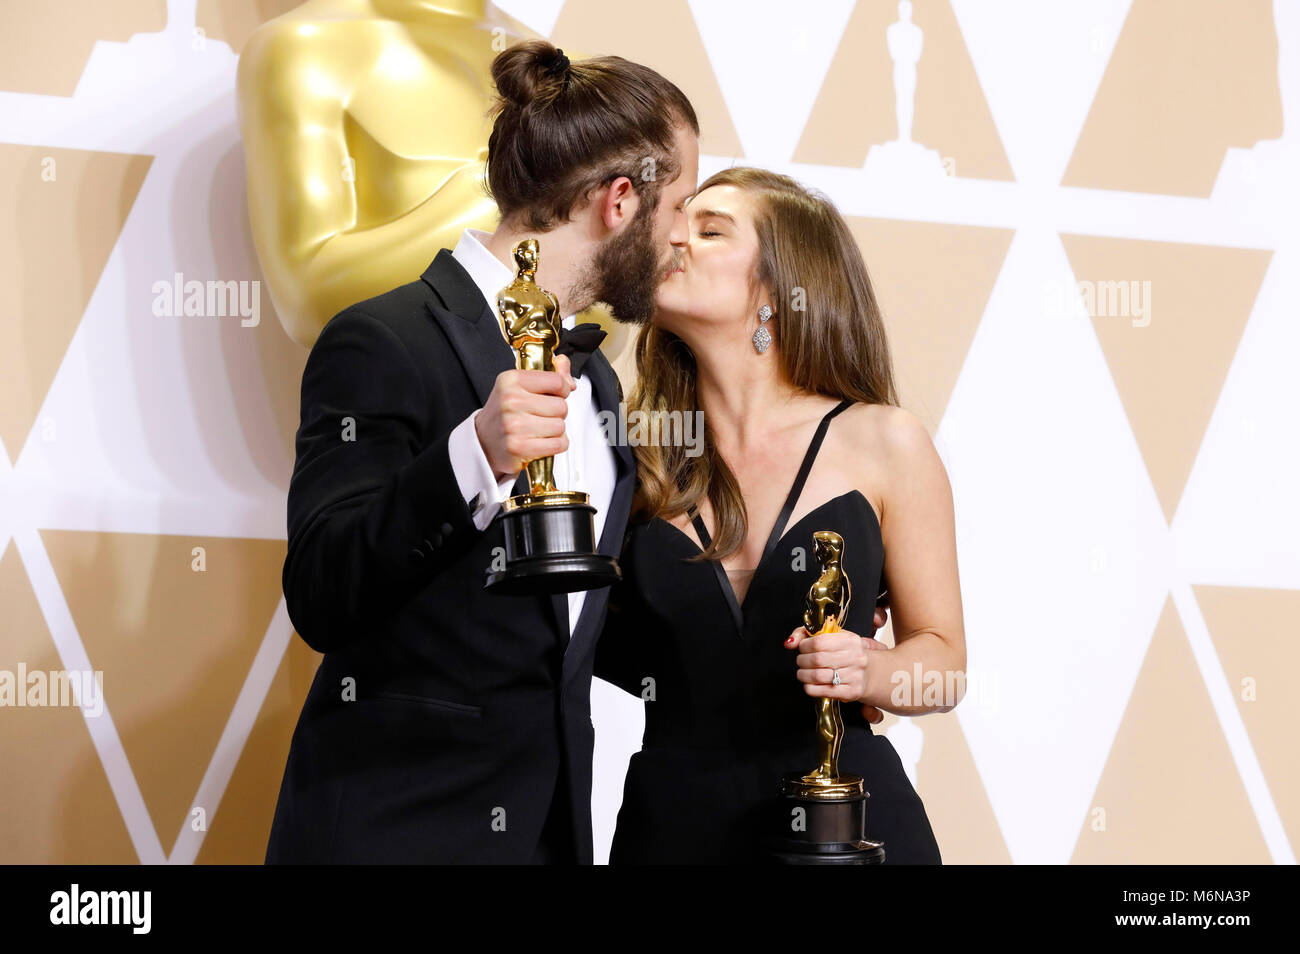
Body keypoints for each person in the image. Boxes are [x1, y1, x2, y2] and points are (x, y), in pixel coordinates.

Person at [266, 40, 699, 864]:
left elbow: (580, 628)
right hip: (392, 834)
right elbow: (322, 593)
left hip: (547, 836)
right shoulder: (382, 340)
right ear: (619, 201)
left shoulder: (597, 381)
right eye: (679, 207)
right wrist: (474, 455)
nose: (681, 238)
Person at [595, 167, 965, 864]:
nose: (678, 239)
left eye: (710, 231)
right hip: (671, 833)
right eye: (681, 223)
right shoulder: (628, 453)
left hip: (843, 828)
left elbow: (944, 668)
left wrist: (868, 669)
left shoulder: (885, 441)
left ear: (778, 286)